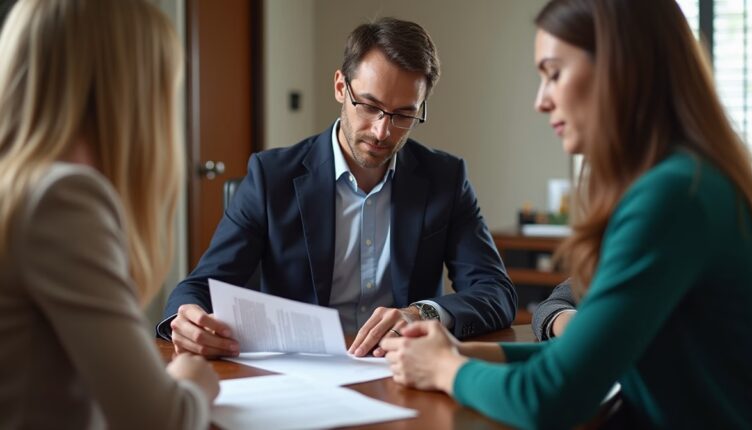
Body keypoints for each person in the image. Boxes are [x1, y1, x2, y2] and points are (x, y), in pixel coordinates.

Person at [381, 0, 752, 428]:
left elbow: (549, 398)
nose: (540, 101)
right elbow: (586, 359)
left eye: (554, 74)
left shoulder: (672, 196)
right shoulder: (693, 179)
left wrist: (444, 370)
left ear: (620, 70)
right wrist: (462, 352)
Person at [158, 17, 517, 358]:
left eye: (403, 115)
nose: (382, 132)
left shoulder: (445, 178)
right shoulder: (270, 176)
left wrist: (422, 313)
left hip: (402, 370)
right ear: (340, 88)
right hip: (300, 372)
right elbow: (201, 285)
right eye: (370, 106)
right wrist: (184, 317)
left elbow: (495, 292)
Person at [0, 0, 219, 428]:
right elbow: (160, 420)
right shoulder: (62, 199)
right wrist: (192, 380)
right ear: (130, 93)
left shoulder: (18, 187)